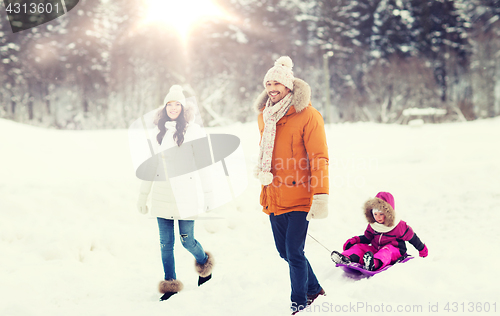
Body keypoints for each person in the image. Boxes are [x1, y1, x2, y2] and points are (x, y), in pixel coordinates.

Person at [253, 56, 329, 314]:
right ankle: (314, 288)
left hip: (300, 194)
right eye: (268, 83)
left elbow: (319, 157)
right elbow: (266, 152)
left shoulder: (308, 115)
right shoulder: (265, 116)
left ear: (289, 86)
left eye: (277, 83)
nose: (272, 88)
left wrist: (321, 195)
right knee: (284, 252)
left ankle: (299, 303)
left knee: (295, 252)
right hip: (274, 194)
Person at [136, 85, 214, 301]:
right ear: (165, 108)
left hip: (186, 196)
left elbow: (204, 166)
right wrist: (143, 197)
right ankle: (170, 284)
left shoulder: (194, 131)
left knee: (187, 240)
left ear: (182, 107)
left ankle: (204, 261)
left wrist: (208, 195)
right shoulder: (157, 134)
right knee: (165, 244)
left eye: (176, 104)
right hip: (162, 195)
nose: (172, 108)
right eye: (169, 104)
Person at [331, 191, 428, 271]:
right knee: (361, 248)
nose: (378, 217)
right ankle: (347, 258)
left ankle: (374, 263)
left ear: (388, 213)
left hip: (395, 251)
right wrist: (356, 240)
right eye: (375, 214)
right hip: (376, 249)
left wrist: (422, 249)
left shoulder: (399, 225)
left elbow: (412, 238)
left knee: (386, 251)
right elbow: (368, 238)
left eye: (381, 214)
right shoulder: (373, 224)